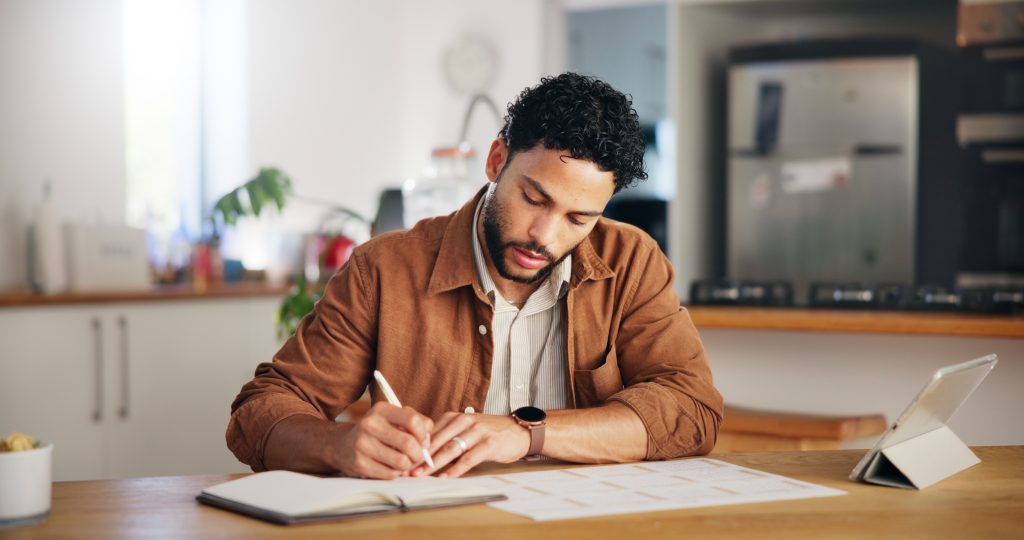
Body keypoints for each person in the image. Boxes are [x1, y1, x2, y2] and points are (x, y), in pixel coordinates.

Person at [226, 73, 723, 480]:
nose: (544, 236)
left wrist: (526, 432)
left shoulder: (632, 261)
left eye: (579, 219)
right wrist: (340, 445)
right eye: (534, 198)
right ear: (495, 160)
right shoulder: (384, 270)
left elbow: (691, 408)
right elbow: (260, 412)